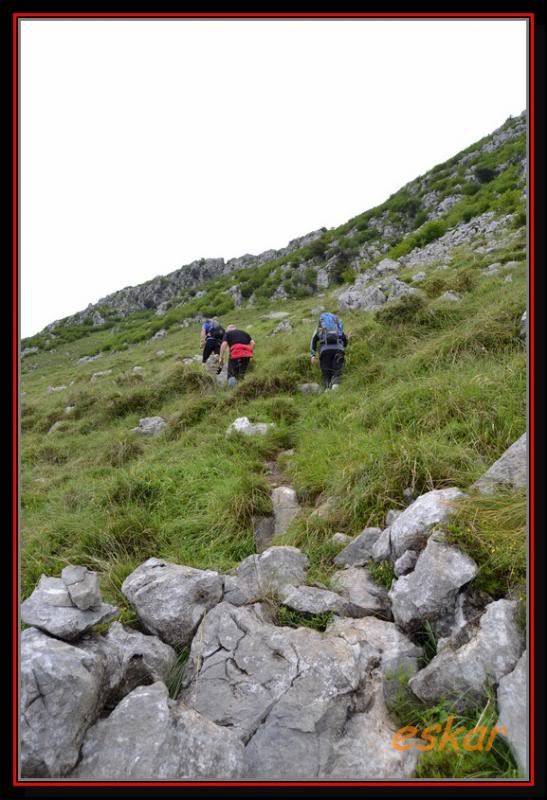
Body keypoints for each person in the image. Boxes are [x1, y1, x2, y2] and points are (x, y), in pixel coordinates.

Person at [309, 312, 348, 390]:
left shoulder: (320, 329)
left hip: (325, 351)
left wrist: (312, 355)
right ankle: (335, 387)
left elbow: (313, 340)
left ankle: (328, 389)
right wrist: (342, 348)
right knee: (337, 370)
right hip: (338, 350)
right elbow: (345, 340)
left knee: (326, 372)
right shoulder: (337, 328)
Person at [219, 324, 255, 388]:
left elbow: (224, 344)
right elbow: (253, 343)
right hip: (246, 354)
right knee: (241, 373)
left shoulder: (228, 333)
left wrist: (221, 357)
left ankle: (232, 391)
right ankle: (242, 389)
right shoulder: (244, 333)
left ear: (228, 330)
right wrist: (250, 351)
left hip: (235, 352)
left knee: (231, 374)